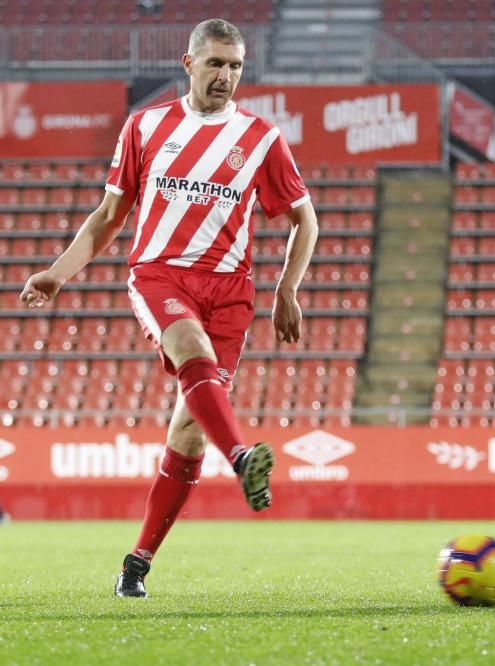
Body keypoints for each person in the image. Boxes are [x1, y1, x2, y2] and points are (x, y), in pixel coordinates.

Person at [20, 19, 318, 598]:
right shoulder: (147, 126)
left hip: (231, 291)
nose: (226, 76)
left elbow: (305, 218)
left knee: (187, 434)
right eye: (215, 64)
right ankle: (242, 456)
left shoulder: (261, 138)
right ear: (189, 64)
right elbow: (109, 218)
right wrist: (58, 273)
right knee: (189, 349)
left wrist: (288, 289)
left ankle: (137, 561)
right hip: (160, 275)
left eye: (235, 66)